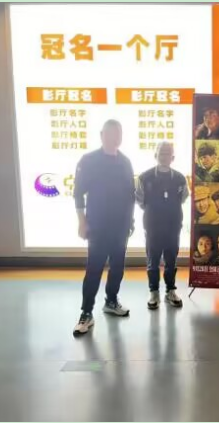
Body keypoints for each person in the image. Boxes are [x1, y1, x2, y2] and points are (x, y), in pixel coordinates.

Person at [72, 120, 135, 336]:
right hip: (97, 225)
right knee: (94, 268)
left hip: (120, 226)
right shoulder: (89, 160)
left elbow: (130, 195)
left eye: (118, 133)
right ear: (102, 135)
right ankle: (86, 312)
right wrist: (82, 221)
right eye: (110, 133)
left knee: (117, 267)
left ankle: (111, 301)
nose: (114, 137)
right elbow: (78, 193)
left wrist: (130, 221)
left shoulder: (125, 162)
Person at [136, 141, 189, 310]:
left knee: (171, 259)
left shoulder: (180, 178)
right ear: (155, 155)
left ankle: (170, 291)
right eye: (161, 153)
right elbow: (140, 200)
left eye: (168, 153)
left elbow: (183, 198)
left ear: (173, 157)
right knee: (153, 260)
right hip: (152, 224)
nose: (164, 156)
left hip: (173, 224)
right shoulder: (144, 177)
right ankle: (154, 292)